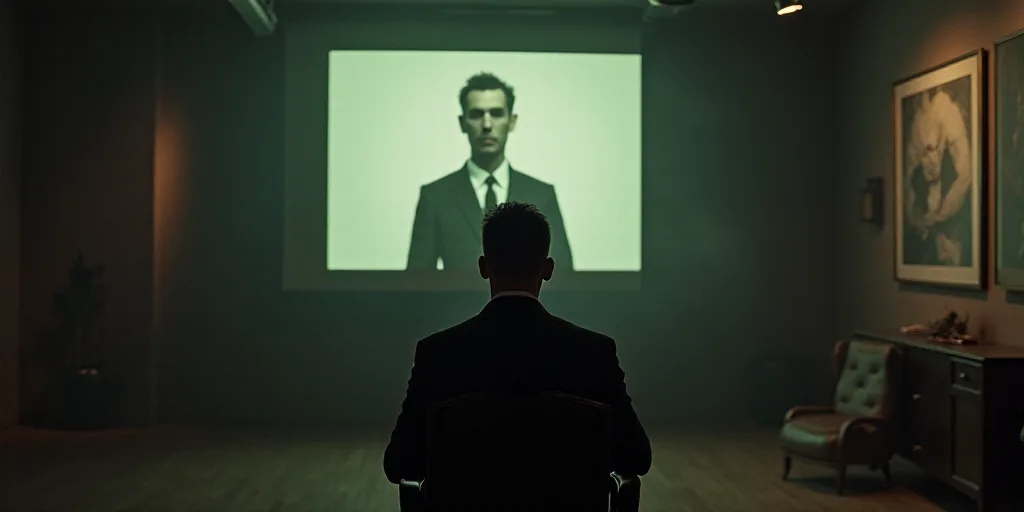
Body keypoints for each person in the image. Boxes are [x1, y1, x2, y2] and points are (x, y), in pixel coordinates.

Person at [384, 201, 651, 484]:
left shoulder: (437, 354)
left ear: (483, 267)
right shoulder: (594, 353)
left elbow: (399, 463)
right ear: (548, 269)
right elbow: (636, 457)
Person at [406, 72, 574, 271]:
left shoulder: (541, 195)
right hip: (458, 303)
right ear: (462, 123)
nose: (487, 125)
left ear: (512, 121)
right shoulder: (435, 197)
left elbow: (563, 276)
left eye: (496, 113)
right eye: (477, 114)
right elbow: (417, 282)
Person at [903, 86, 974, 266]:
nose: (928, 160)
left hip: (951, 221)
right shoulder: (917, 122)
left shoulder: (946, 110)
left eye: (931, 152)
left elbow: (966, 173)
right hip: (928, 225)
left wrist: (941, 215)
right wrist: (919, 218)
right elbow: (907, 181)